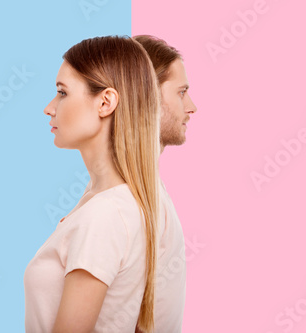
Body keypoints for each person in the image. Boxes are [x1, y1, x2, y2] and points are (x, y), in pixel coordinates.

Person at [24, 36, 162, 333]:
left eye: (62, 92)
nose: (49, 108)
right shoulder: (108, 201)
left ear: (105, 102)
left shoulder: (105, 214)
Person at [133, 35, 198, 333]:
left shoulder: (151, 192)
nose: (192, 106)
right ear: (147, 97)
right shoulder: (127, 201)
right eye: (181, 92)